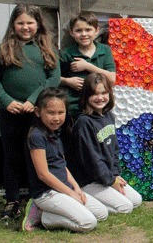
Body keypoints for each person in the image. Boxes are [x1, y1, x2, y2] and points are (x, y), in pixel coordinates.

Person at [0, 4, 61, 220]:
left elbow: (53, 79)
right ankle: (12, 201)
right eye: (20, 22)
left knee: (35, 157)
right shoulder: (5, 48)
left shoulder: (46, 49)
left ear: (38, 24)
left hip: (36, 114)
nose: (25, 27)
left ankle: (36, 198)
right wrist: (7, 101)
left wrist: (33, 100)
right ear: (13, 24)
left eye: (30, 22)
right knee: (11, 157)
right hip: (10, 113)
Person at [22, 87, 108, 232]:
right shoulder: (36, 136)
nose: (56, 118)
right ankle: (43, 217)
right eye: (51, 113)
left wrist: (76, 188)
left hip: (64, 188)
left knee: (101, 213)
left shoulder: (55, 132)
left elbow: (62, 165)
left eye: (61, 112)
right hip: (47, 193)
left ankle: (50, 213)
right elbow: (43, 174)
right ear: (37, 112)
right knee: (88, 223)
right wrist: (70, 194)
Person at [69, 73, 143, 214]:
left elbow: (114, 149)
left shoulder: (109, 116)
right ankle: (79, 199)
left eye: (103, 92)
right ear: (86, 96)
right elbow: (92, 159)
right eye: (94, 94)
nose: (100, 97)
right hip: (89, 181)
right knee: (125, 207)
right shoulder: (84, 123)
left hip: (106, 177)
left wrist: (114, 175)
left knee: (136, 200)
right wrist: (110, 181)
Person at [60, 11, 116, 119]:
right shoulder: (67, 53)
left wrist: (87, 66)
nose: (84, 34)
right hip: (76, 107)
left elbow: (111, 78)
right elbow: (54, 77)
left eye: (88, 30)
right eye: (79, 30)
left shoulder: (105, 50)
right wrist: (67, 81)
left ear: (96, 31)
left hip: (100, 105)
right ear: (72, 33)